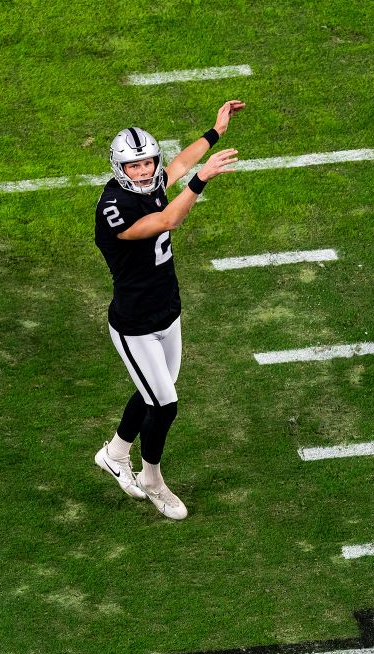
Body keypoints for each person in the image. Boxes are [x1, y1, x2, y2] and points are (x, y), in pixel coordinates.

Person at [92, 101, 244, 519]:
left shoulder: (153, 178)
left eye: (148, 163)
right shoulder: (113, 208)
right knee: (165, 404)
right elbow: (168, 221)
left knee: (155, 392)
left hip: (167, 311)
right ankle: (152, 479)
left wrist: (215, 131)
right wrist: (201, 180)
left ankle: (114, 453)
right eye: (135, 165)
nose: (145, 171)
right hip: (135, 324)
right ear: (119, 168)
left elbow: (177, 162)